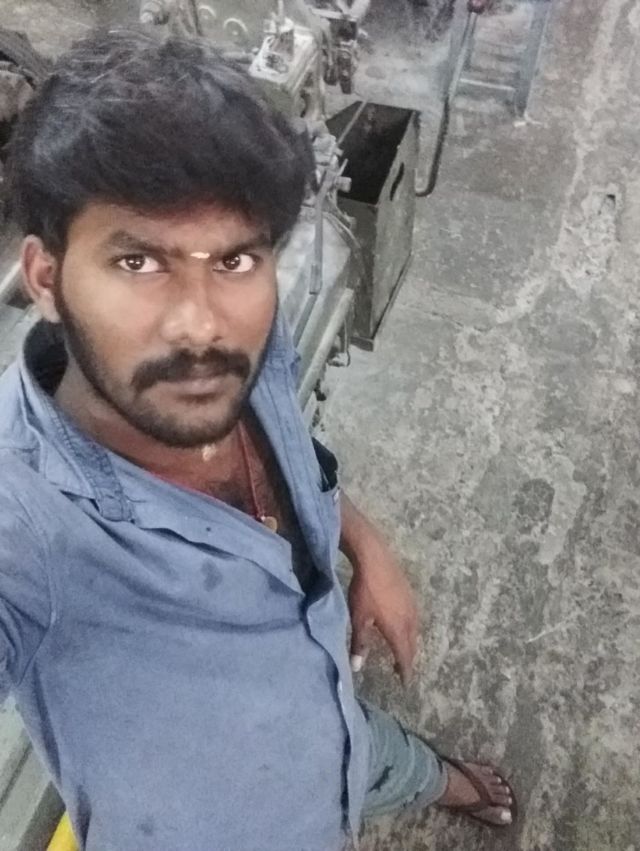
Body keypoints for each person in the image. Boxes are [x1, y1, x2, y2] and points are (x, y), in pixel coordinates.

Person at [0, 29, 516, 850]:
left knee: (371, 750)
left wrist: (365, 545)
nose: (202, 323)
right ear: (47, 278)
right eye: (138, 262)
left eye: (236, 259)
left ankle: (441, 777)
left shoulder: (251, 343)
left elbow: (296, 456)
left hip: (328, 715)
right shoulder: (25, 524)